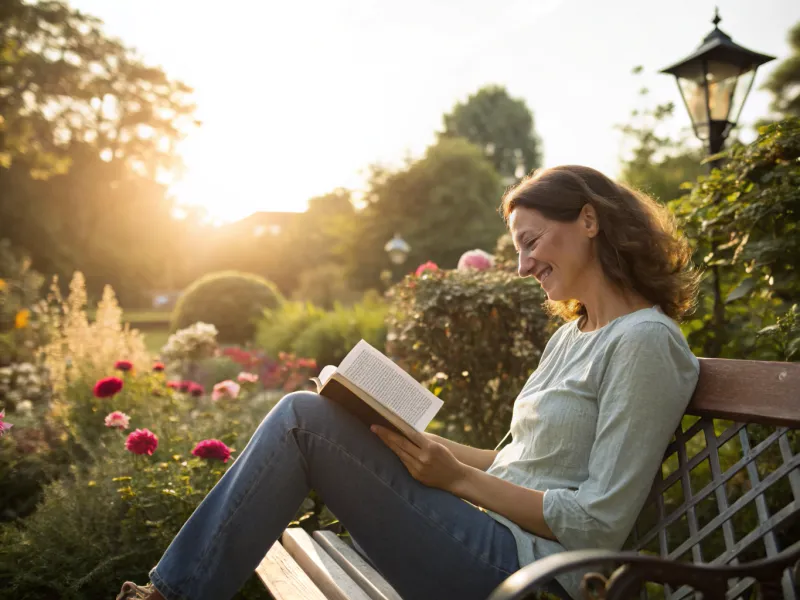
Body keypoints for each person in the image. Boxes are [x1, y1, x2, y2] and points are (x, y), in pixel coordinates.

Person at [117, 165, 701, 600]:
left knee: (302, 421)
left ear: (589, 220)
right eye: (517, 248)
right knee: (322, 416)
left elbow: (600, 521)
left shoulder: (644, 342)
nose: (523, 265)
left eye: (531, 242)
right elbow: (516, 461)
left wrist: (459, 479)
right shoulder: (575, 335)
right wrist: (419, 444)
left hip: (530, 574)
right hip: (487, 539)